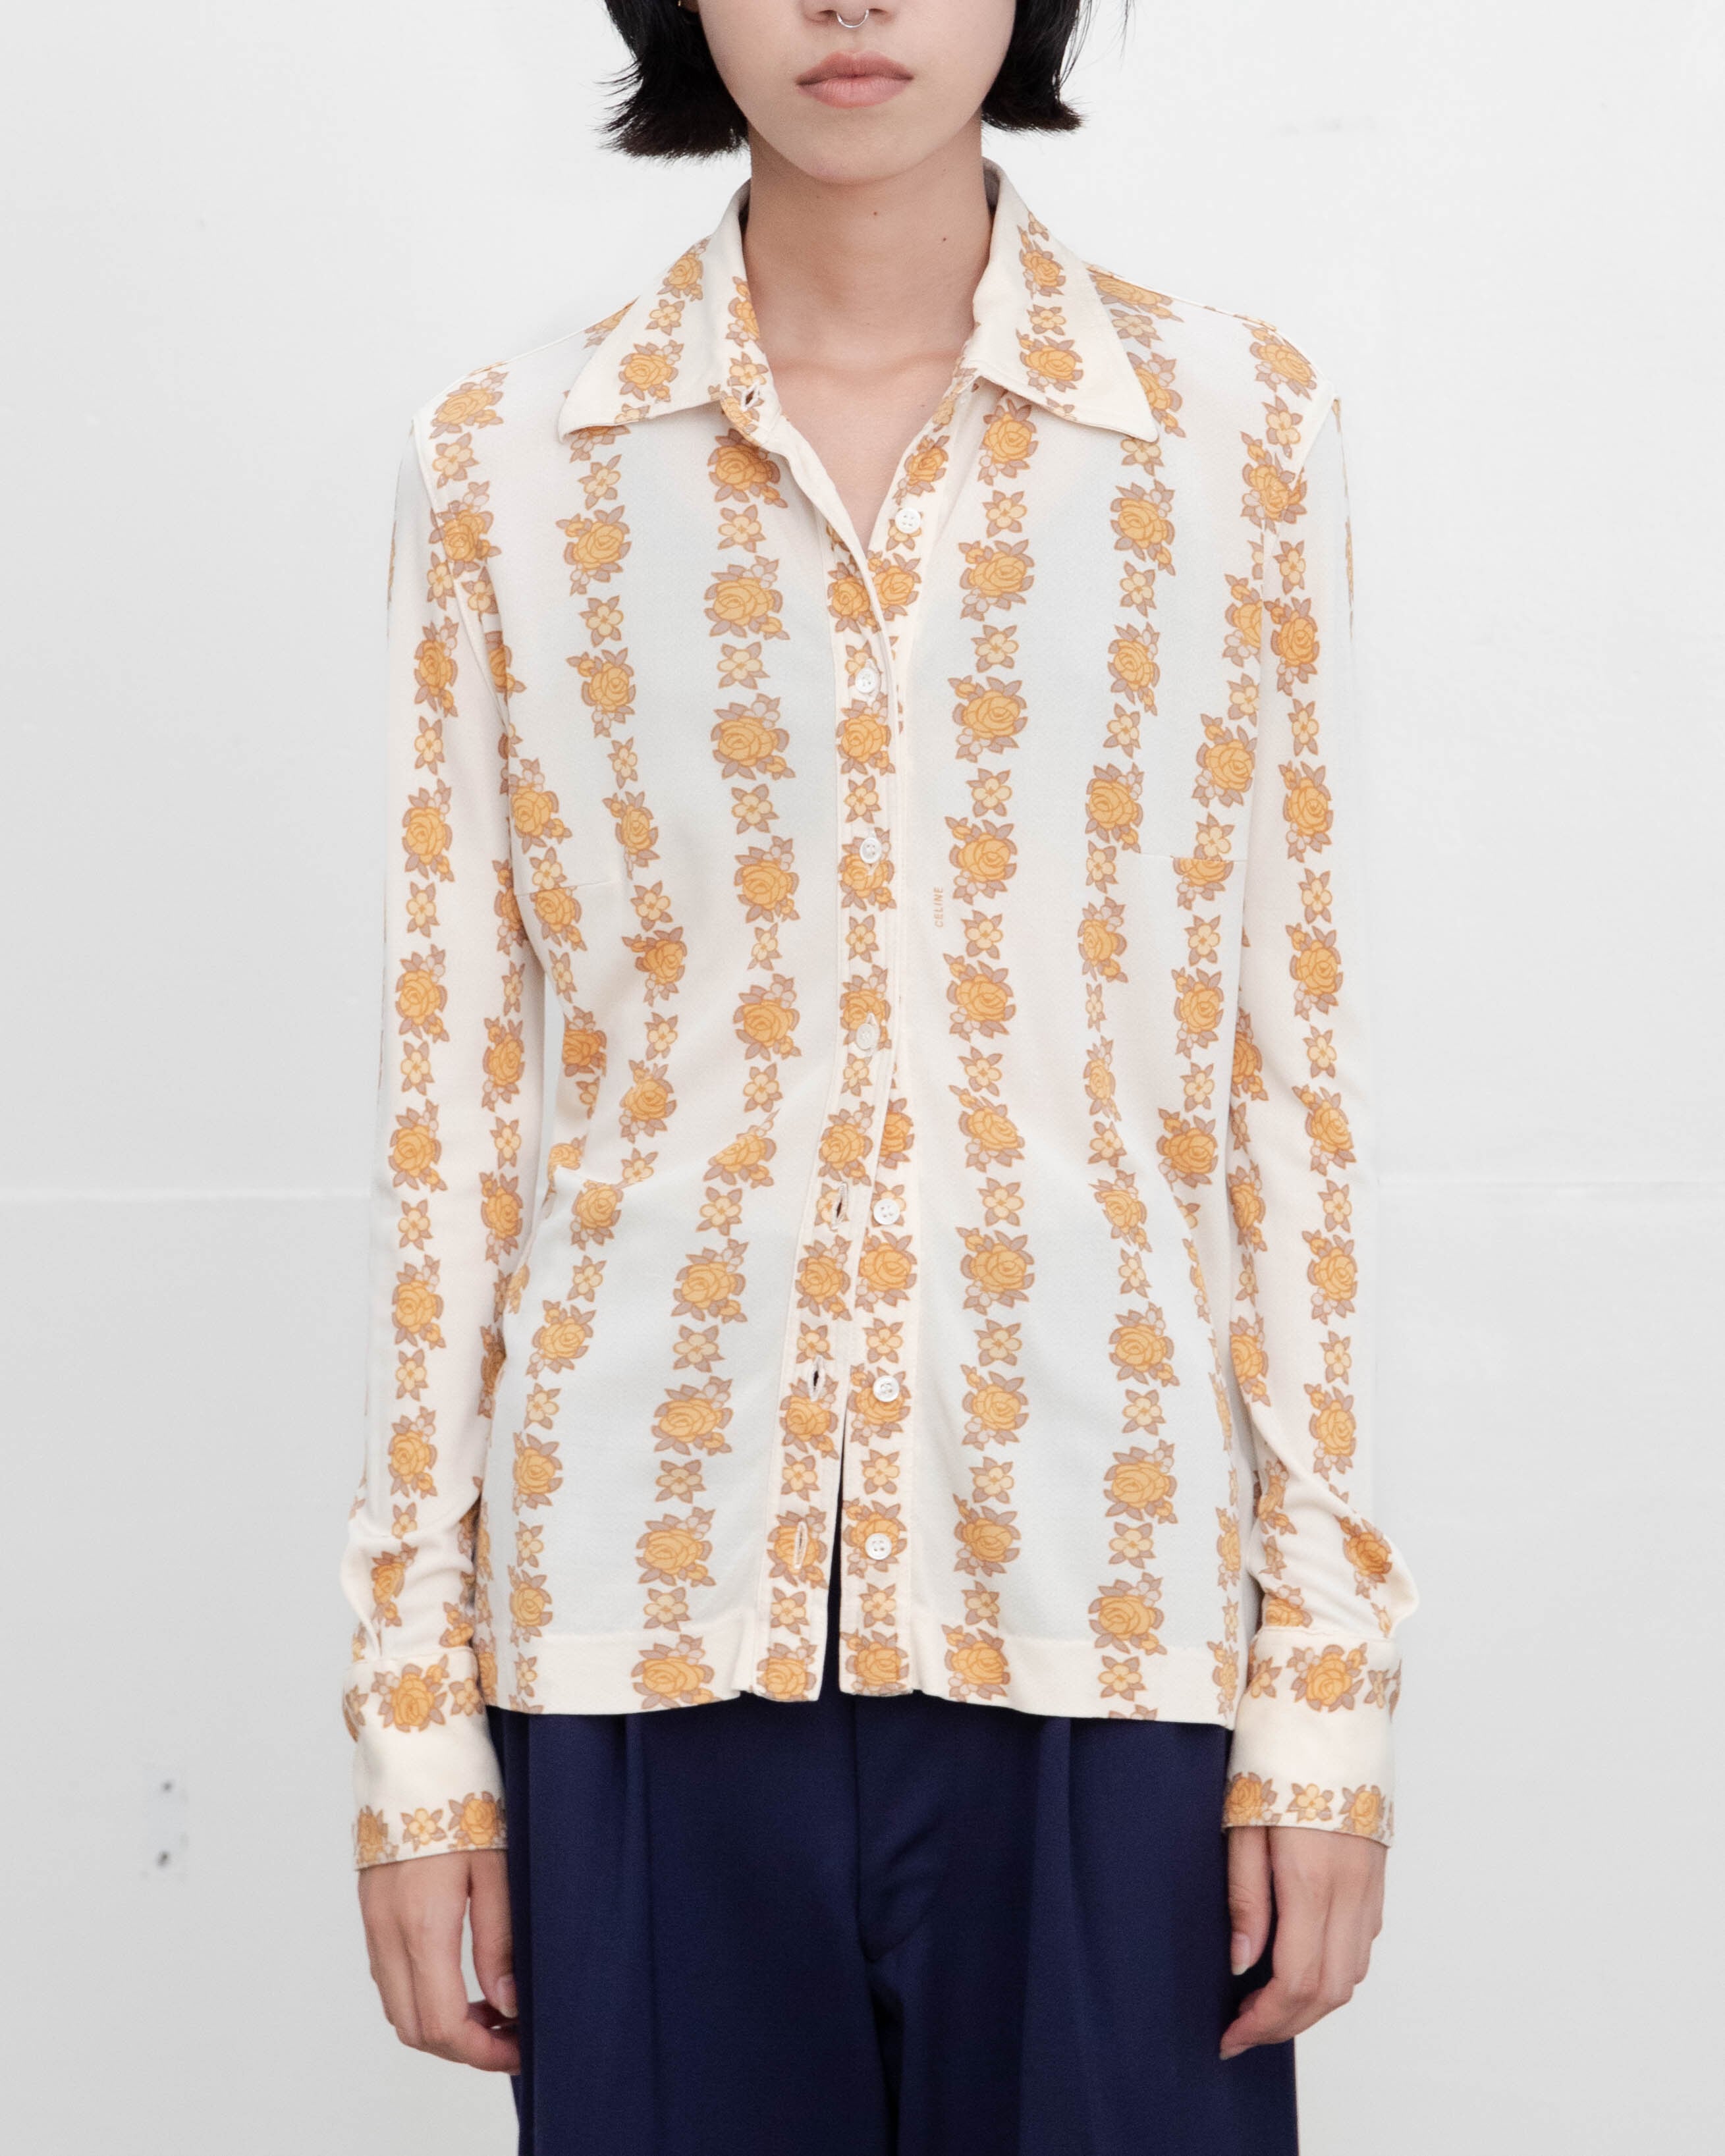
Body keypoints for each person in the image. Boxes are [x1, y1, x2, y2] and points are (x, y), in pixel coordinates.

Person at [341, 3, 1417, 2148]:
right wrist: (412, 1725)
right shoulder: (508, 463)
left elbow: (1287, 1086)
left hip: (1104, 1610)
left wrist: (1324, 1692)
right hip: (637, 1626)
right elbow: (445, 1114)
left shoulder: (1230, 434)